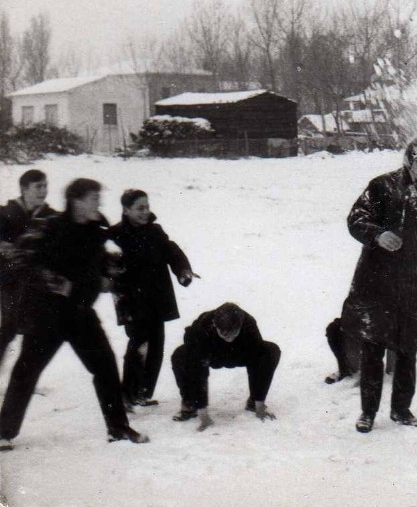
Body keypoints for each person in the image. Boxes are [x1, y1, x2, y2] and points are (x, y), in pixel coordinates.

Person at [0, 178, 149, 451]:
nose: (98, 203)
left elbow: (97, 257)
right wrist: (59, 282)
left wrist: (109, 267)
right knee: (26, 371)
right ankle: (3, 431)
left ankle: (118, 427)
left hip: (81, 315)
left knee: (104, 366)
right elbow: (28, 261)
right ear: (76, 201)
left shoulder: (95, 228)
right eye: (93, 198)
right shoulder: (53, 227)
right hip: (47, 316)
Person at [340, 135, 417, 433]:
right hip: (379, 281)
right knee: (373, 348)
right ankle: (367, 412)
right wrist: (378, 235)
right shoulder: (383, 186)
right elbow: (356, 218)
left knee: (409, 349)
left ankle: (401, 409)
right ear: (407, 161)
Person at [109, 189, 194, 408]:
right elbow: (109, 267)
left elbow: (171, 252)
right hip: (131, 301)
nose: (145, 212)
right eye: (140, 208)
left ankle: (143, 392)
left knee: (156, 346)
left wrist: (183, 270)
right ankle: (127, 394)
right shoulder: (116, 235)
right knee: (139, 345)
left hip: (156, 300)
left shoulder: (155, 231)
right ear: (126, 210)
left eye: (147, 206)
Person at [171, 302, 281, 431]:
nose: (229, 338)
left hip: (238, 353)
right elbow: (197, 369)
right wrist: (203, 412)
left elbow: (256, 362)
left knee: (269, 351)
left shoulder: (249, 324)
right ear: (215, 325)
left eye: (233, 333)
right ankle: (190, 402)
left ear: (240, 326)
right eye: (224, 333)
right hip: (211, 354)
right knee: (181, 355)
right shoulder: (202, 327)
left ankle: (253, 401)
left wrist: (259, 404)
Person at [0, 169, 59, 368]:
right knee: (8, 327)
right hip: (10, 280)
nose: (43, 191)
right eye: (38, 186)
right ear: (24, 189)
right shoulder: (6, 214)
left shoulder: (51, 217)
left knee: (34, 329)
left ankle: (23, 377)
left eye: (45, 186)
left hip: (38, 283)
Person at [323, 314, 395, 384]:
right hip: (366, 318)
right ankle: (346, 368)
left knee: (398, 326)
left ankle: (394, 370)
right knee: (333, 328)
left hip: (391, 319)